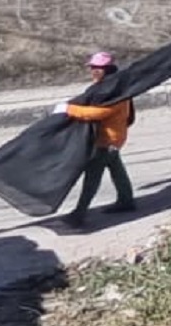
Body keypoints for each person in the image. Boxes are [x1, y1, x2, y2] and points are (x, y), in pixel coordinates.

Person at [55, 51, 137, 227]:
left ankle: (79, 213)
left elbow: (101, 112)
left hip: (107, 140)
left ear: (107, 69)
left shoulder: (113, 90)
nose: (94, 71)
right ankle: (126, 200)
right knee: (116, 169)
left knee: (92, 175)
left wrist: (68, 110)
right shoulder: (112, 85)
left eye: (98, 68)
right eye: (92, 67)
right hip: (113, 139)